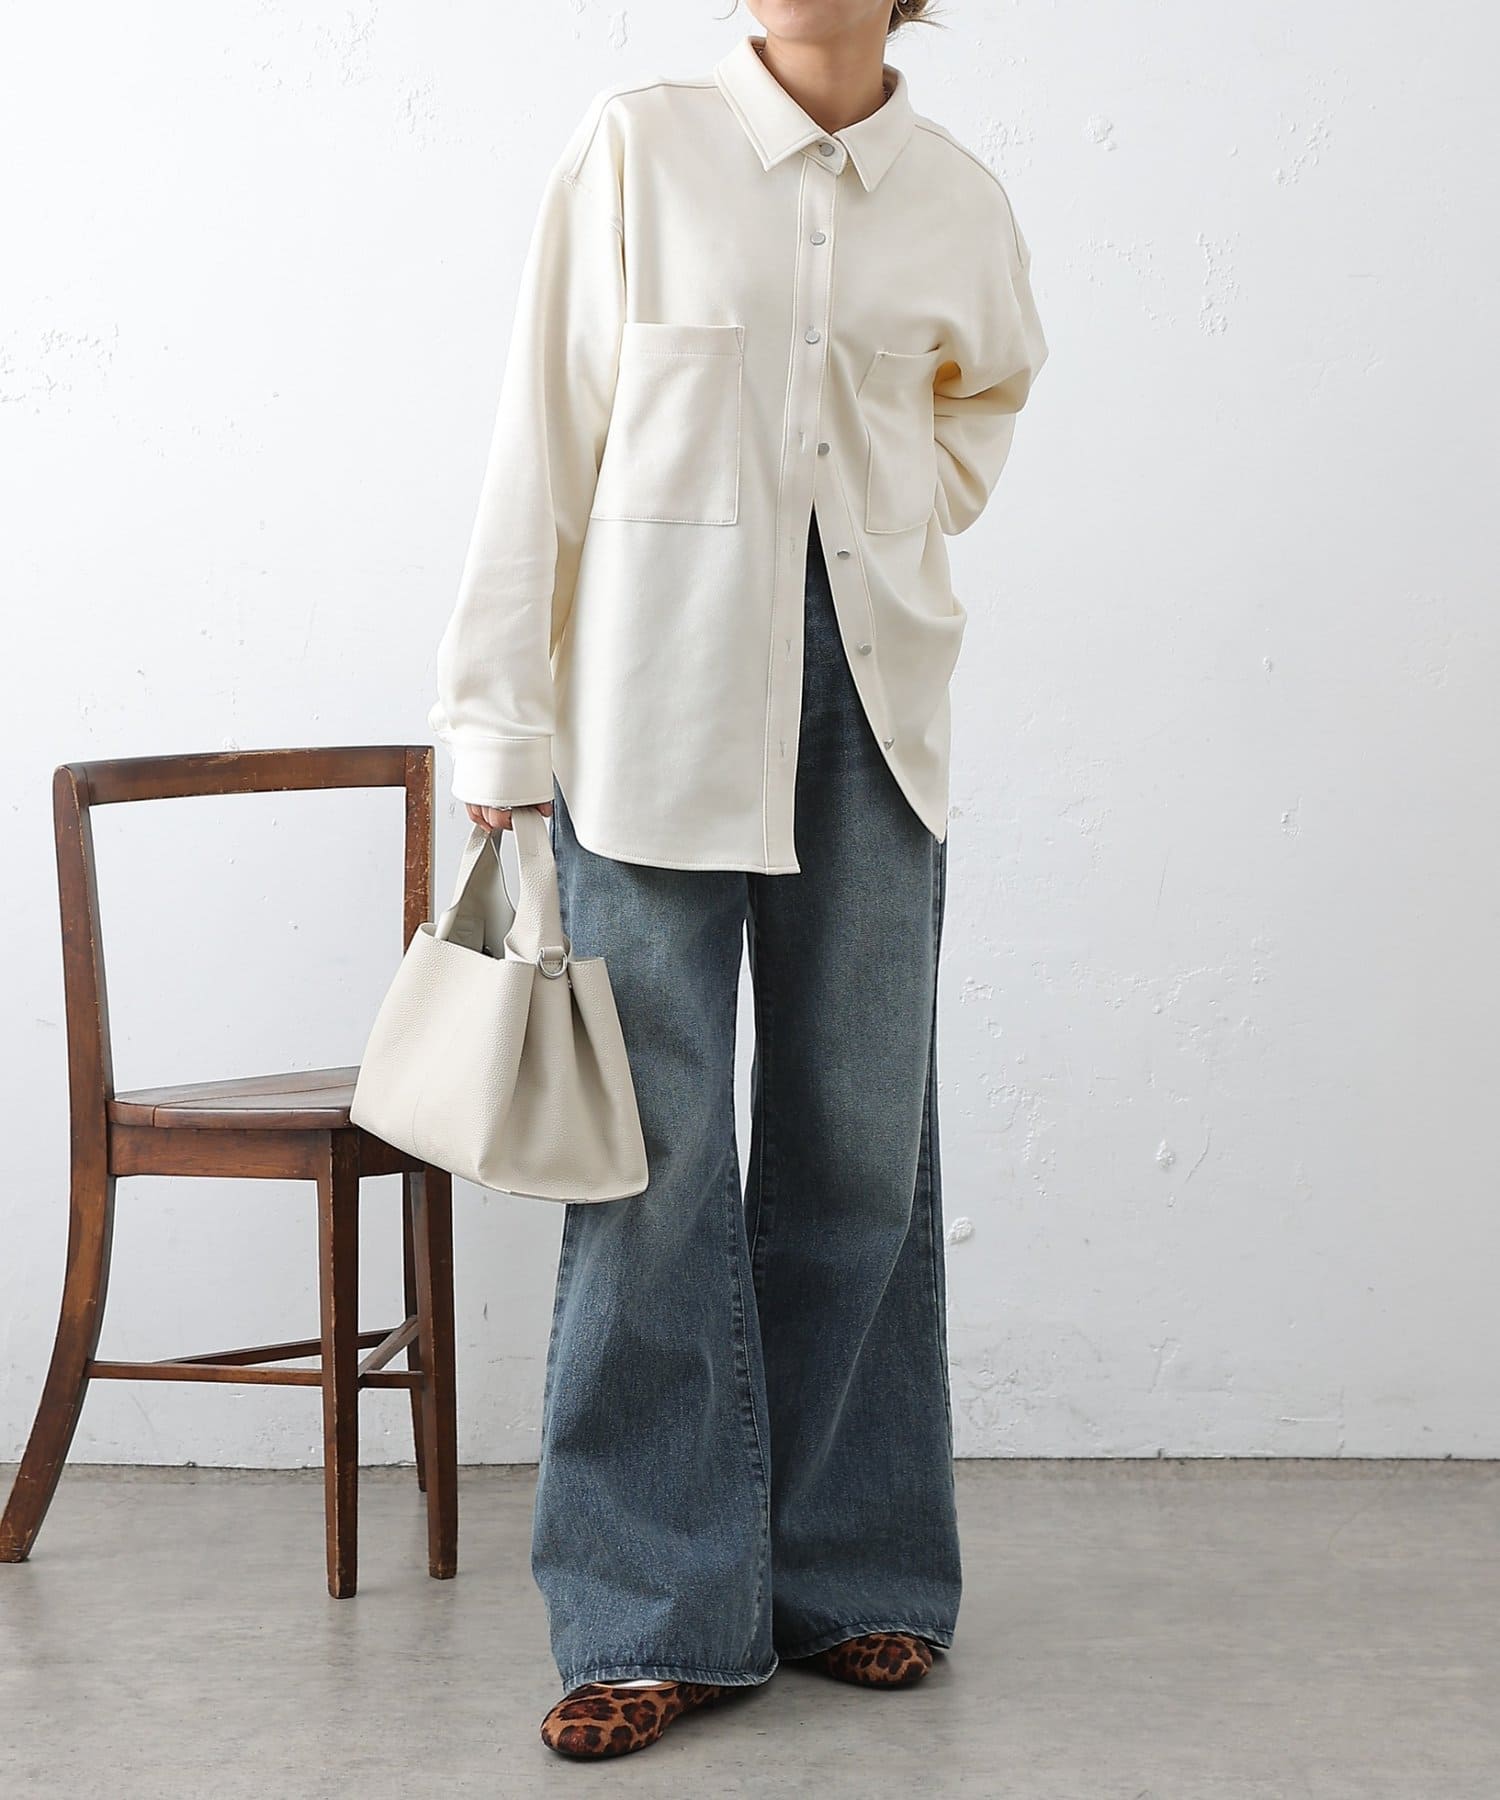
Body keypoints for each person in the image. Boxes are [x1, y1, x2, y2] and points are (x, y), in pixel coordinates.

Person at [427, 0, 1047, 1761]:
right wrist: (496, 727)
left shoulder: (957, 196)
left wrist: (888, 501)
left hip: (875, 704)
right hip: (652, 710)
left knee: (863, 1147)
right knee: (654, 1156)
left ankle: (850, 1573)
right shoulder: (639, 149)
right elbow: (544, 438)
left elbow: (988, 395)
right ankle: (648, 1609)